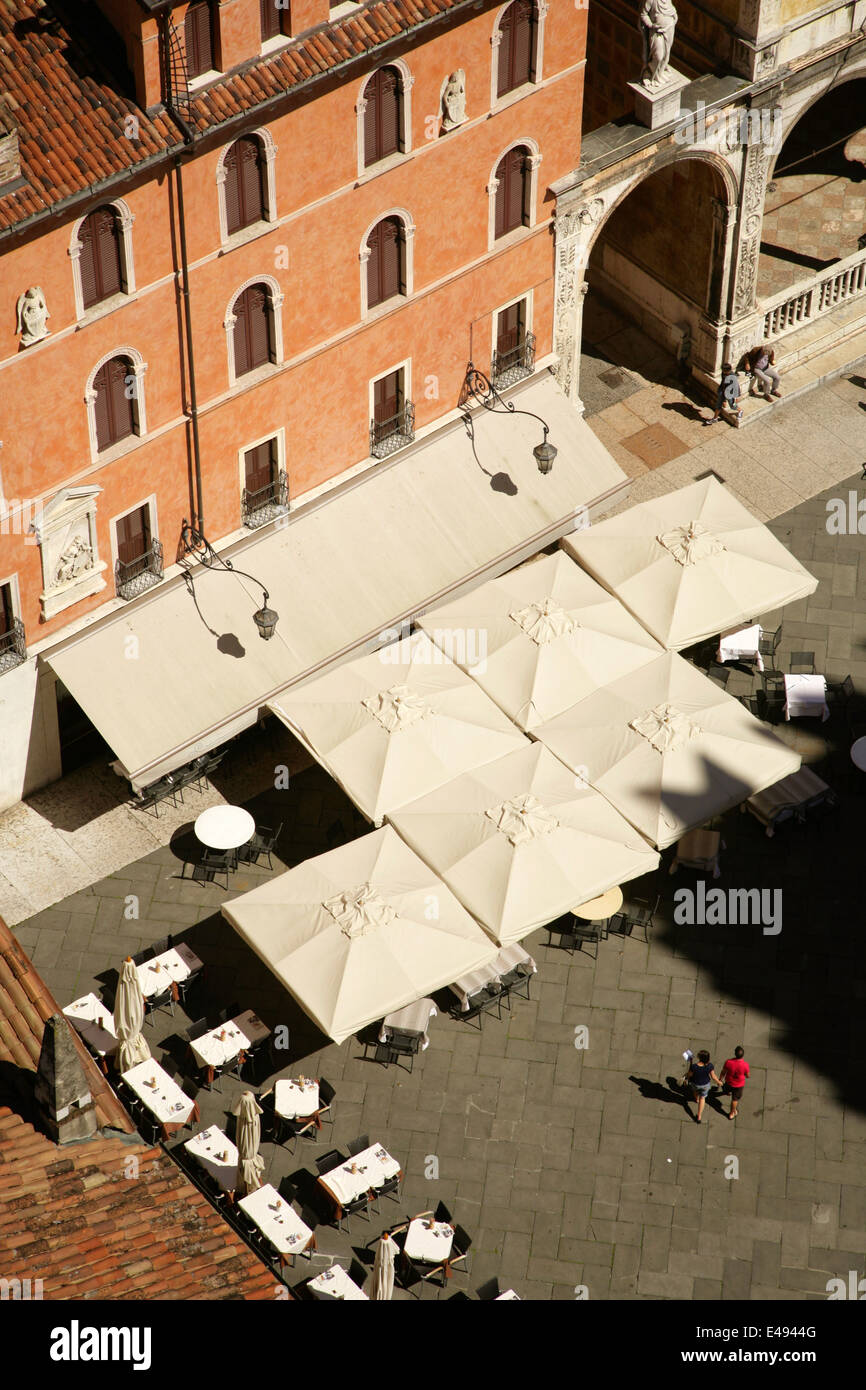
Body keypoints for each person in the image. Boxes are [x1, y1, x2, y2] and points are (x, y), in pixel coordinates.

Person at [687, 1049, 720, 1123]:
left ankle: (696, 1099)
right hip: (705, 1085)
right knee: (703, 1098)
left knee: (695, 1091)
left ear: (699, 1058)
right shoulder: (710, 1066)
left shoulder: (694, 1066)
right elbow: (713, 1077)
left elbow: (689, 1075)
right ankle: (699, 1116)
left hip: (695, 1083)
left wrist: (691, 1063)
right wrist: (719, 1082)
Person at [719, 1045, 750, 1120]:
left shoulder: (728, 1062)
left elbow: (723, 1072)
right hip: (738, 1085)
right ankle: (732, 1113)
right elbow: (748, 1075)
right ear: (743, 1055)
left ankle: (728, 1092)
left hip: (729, 1082)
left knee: (727, 1090)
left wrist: (720, 1079)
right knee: (735, 1099)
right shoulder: (745, 1065)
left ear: (735, 1053)